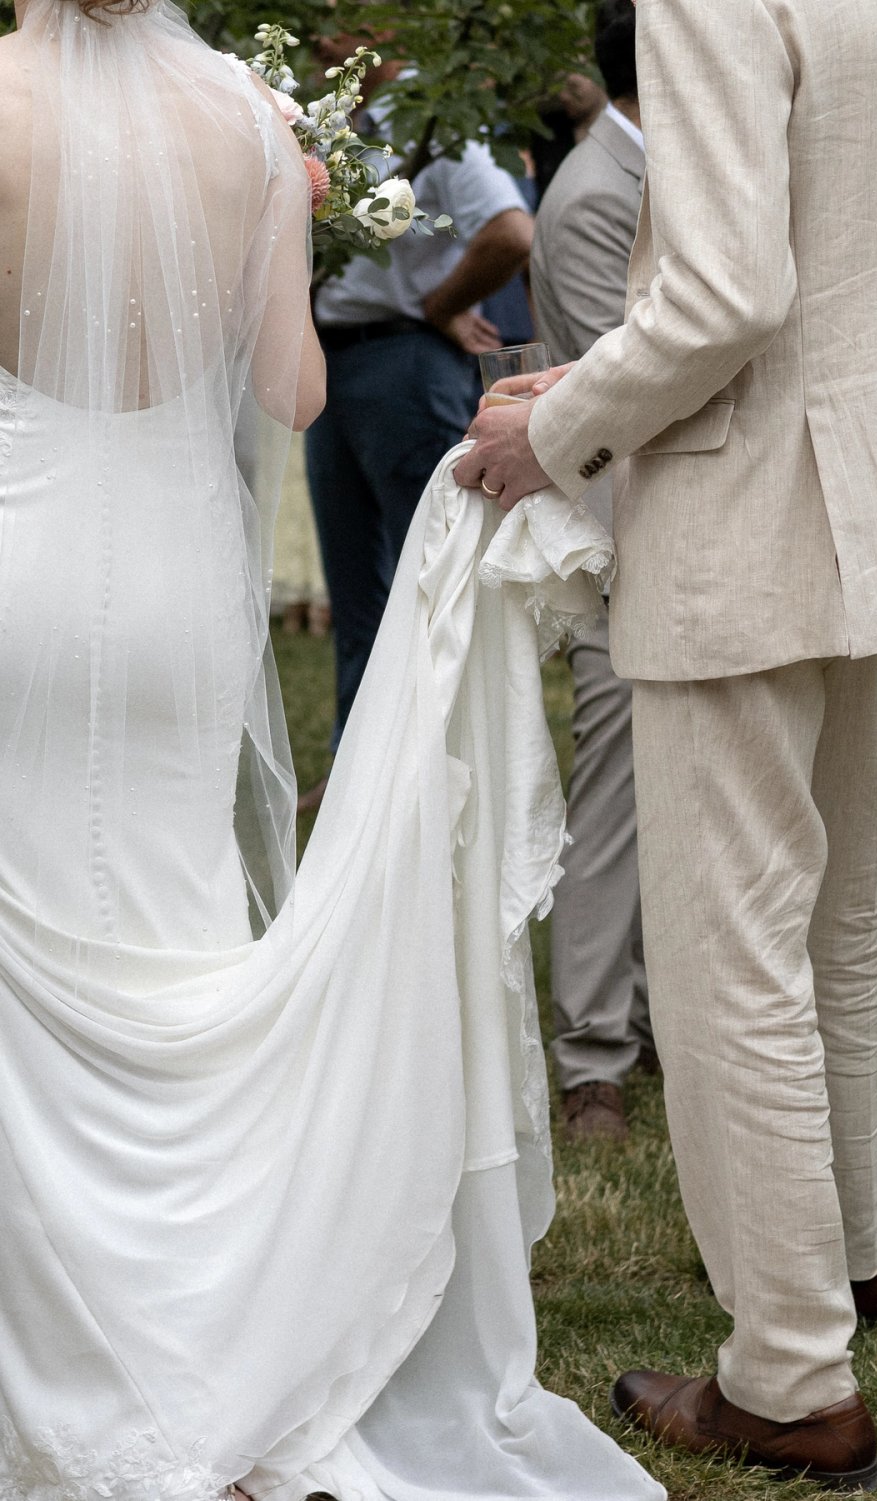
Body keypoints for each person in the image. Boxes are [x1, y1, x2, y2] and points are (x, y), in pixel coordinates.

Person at [0, 3, 667, 1499]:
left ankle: (49, 1351)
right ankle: (208, 1339)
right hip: (176, 589)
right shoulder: (245, 115)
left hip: (19, 560)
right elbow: (291, 388)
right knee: (175, 939)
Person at [456, 0, 877, 1489]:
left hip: (751, 508)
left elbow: (725, 294)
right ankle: (854, 1258)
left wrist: (555, 434)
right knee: (840, 910)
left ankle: (789, 1373)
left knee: (726, 949)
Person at [300, 42, 533, 809]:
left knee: (428, 577)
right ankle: (358, 779)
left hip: (403, 361)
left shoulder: (437, 118)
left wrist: (436, 304)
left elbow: (508, 229)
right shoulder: (329, 123)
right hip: (333, 364)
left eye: (342, 14)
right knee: (357, 588)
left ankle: (446, 774)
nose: (327, 26)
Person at [530, 0, 652, 1143]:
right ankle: (592, 1057)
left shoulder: (649, 170)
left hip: (686, 538)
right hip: (630, 541)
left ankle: (649, 1019)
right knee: (611, 799)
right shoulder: (594, 196)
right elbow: (604, 392)